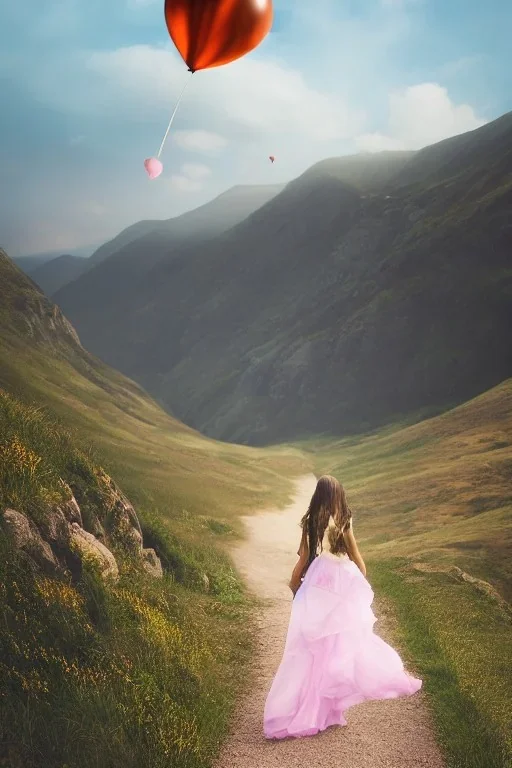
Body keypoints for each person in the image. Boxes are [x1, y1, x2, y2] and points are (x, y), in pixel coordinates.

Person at [263, 474, 422, 740]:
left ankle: (315, 711)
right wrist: (359, 585)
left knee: (312, 648)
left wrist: (295, 587)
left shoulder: (310, 522)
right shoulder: (345, 522)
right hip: (341, 578)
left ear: (318, 495)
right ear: (338, 495)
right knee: (337, 644)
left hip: (318, 578)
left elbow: (303, 559)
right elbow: (359, 560)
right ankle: (329, 709)